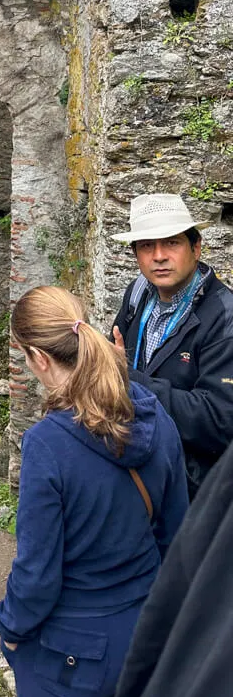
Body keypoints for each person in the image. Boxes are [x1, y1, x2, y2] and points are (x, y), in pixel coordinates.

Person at [0, 285, 188, 697]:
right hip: (139, 636)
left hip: (68, 652)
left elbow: (38, 574)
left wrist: (10, 629)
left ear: (40, 358)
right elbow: (176, 533)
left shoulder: (47, 445)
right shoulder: (155, 415)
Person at [106, 437, 233, 697]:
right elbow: (174, 528)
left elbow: (38, 565)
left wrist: (12, 628)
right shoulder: (160, 424)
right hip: (135, 606)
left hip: (76, 634)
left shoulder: (49, 442)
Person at [111, 193, 233, 497]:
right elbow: (114, 353)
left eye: (172, 243)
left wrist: (131, 380)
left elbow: (220, 421)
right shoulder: (138, 293)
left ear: (196, 247)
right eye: (146, 245)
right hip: (140, 471)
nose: (159, 256)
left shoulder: (224, 318)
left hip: (192, 491)